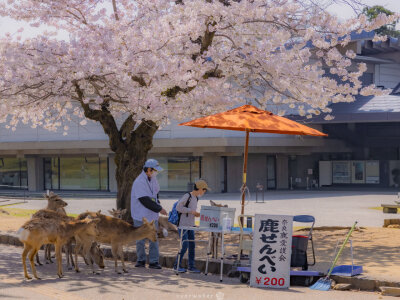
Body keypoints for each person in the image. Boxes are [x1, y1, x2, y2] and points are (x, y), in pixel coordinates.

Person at [131, 158, 167, 269]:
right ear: (149, 170)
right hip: (140, 214)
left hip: (152, 215)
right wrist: (159, 208)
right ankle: (140, 260)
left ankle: (153, 262)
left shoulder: (153, 179)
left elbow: (155, 195)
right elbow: (144, 200)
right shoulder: (139, 182)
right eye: (155, 170)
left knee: (153, 238)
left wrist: (158, 205)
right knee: (140, 239)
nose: (156, 173)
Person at [173, 179, 210, 273]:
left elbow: (190, 212)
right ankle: (177, 265)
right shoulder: (187, 196)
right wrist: (191, 211)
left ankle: (191, 266)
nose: (204, 192)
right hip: (182, 225)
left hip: (191, 225)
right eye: (204, 190)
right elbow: (178, 207)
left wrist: (195, 214)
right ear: (200, 189)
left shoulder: (196, 198)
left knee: (192, 246)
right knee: (184, 245)